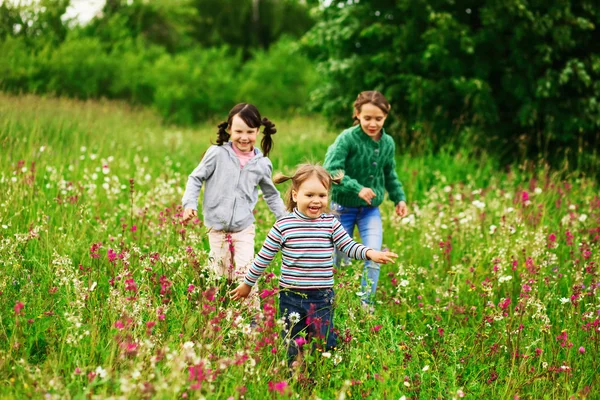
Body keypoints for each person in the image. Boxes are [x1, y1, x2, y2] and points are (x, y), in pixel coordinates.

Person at [229, 164, 397, 367]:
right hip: (291, 296)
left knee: (324, 342)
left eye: (322, 195)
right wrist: (248, 283)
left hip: (322, 296)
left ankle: (319, 372)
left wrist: (370, 253)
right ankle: (296, 375)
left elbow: (348, 246)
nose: (316, 201)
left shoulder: (331, 224)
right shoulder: (283, 226)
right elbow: (263, 257)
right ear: (294, 195)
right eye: (309, 195)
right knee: (293, 342)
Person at [182, 103, 287, 311]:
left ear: (258, 131)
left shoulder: (262, 163)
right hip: (216, 227)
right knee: (220, 273)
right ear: (229, 129)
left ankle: (253, 317)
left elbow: (271, 195)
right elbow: (195, 178)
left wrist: (285, 219)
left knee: (247, 271)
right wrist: (189, 204)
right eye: (238, 131)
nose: (244, 137)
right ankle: (217, 312)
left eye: (250, 131)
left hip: (244, 227)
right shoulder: (216, 154)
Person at [323, 90, 408, 307]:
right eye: (367, 118)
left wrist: (399, 198)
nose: (372, 123)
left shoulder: (388, 143)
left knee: (374, 256)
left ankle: (365, 305)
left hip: (370, 210)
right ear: (357, 114)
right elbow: (331, 170)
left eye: (378, 119)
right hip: (342, 208)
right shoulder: (347, 138)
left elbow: (390, 173)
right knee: (341, 260)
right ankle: (337, 302)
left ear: (386, 117)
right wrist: (357, 188)